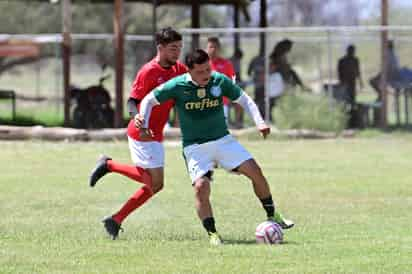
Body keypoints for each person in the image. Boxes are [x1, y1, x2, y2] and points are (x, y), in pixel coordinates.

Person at [137, 49, 294, 245]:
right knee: (201, 188)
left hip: (223, 141)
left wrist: (260, 122)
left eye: (207, 70)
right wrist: (143, 124)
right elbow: (148, 100)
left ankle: (273, 215)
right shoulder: (177, 85)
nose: (206, 75)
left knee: (256, 172)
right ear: (189, 71)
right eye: (200, 72)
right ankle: (213, 233)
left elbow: (244, 99)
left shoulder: (219, 80)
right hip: (195, 148)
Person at [88, 27, 187, 240]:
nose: (177, 52)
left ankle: (115, 218)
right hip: (141, 132)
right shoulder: (148, 71)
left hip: (156, 134)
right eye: (172, 48)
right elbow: (132, 101)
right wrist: (137, 117)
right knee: (154, 183)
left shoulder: (179, 69)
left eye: (179, 48)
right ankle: (109, 167)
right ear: (160, 48)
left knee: (155, 184)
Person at [206, 37, 236, 125]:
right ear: (206, 48)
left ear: (219, 49)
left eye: (215, 47)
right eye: (210, 47)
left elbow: (231, 82)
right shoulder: (201, 64)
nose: (213, 49)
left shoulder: (226, 64)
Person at [337, 45, 363, 127]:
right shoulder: (342, 60)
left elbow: (358, 72)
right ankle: (344, 120)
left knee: (352, 102)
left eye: (353, 51)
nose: (352, 52)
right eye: (351, 50)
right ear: (347, 51)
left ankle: (353, 120)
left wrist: (360, 82)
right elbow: (339, 72)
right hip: (345, 84)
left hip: (352, 83)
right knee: (344, 102)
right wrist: (341, 82)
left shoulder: (355, 60)